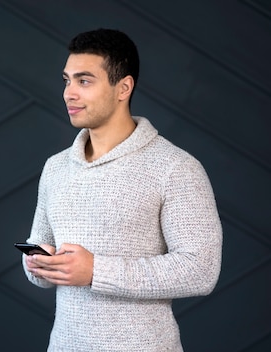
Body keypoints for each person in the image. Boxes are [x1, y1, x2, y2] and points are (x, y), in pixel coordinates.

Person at [22, 28, 222, 351]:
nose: (69, 93)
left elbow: (201, 269)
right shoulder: (56, 168)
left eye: (84, 81)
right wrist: (38, 264)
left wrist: (96, 271)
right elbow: (40, 252)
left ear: (123, 88)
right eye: (66, 80)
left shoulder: (175, 168)